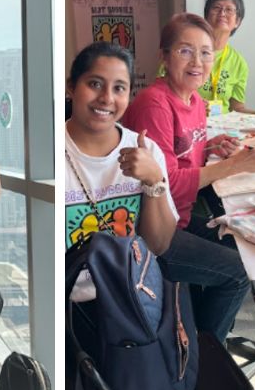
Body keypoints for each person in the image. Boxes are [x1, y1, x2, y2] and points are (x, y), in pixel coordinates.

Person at [120, 14, 255, 342]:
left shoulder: (194, 100)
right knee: (239, 273)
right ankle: (203, 356)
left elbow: (183, 150)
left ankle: (196, 336)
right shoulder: (155, 104)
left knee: (247, 244)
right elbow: (167, 183)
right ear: (164, 56)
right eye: (185, 51)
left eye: (206, 53)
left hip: (178, 216)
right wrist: (234, 165)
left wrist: (212, 145)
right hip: (152, 231)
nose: (197, 62)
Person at [63, 42, 176, 258]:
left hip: (128, 277)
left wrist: (154, 181)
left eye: (119, 88)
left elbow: (158, 246)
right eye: (95, 84)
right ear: (71, 87)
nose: (107, 98)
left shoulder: (147, 151)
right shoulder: (49, 154)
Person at [164, 0, 255, 116]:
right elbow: (162, 92)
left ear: (237, 22)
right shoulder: (185, 50)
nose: (222, 13)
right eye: (217, 8)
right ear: (206, 16)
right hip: (186, 120)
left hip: (222, 125)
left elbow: (237, 108)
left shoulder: (238, 63)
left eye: (229, 10)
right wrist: (193, 105)